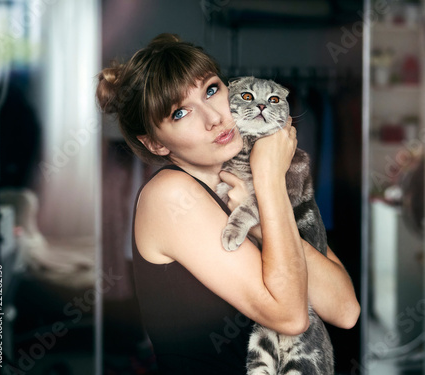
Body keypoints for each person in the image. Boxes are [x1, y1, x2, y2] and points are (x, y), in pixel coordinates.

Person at [96, 33, 359, 375]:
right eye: (179, 113)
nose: (214, 119)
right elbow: (291, 316)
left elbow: (345, 310)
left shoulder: (247, 180)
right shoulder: (172, 195)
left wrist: (262, 219)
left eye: (211, 90)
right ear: (156, 144)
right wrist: (269, 183)